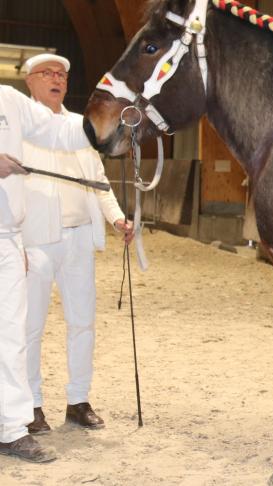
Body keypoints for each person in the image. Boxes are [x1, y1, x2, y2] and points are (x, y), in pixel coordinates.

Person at [20, 53, 133, 436]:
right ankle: (31, 405)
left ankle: (78, 400)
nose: (56, 79)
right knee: (30, 326)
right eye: (47, 73)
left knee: (82, 323)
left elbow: (98, 180)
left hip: (78, 238)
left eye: (61, 75)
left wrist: (117, 218)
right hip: (33, 240)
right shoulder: (17, 127)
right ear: (29, 82)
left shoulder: (80, 128)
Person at [1, 63, 92, 463]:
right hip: (24, 238)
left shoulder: (10, 100)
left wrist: (115, 120)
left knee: (11, 337)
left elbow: (61, 130)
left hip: (7, 235)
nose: (57, 80)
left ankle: (10, 428)